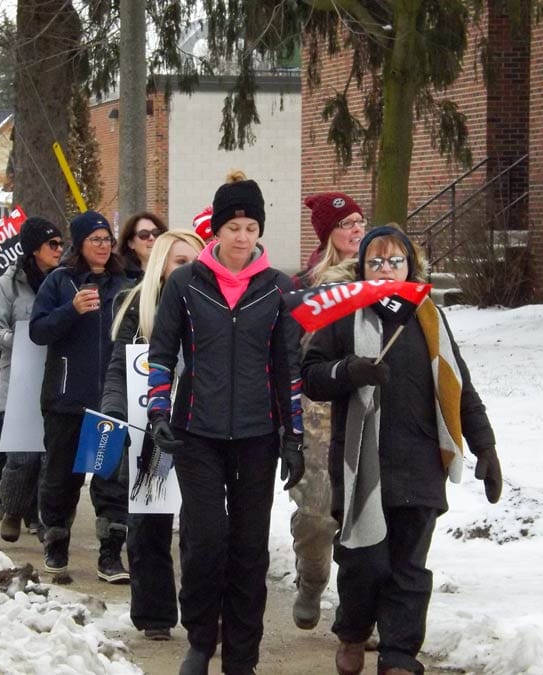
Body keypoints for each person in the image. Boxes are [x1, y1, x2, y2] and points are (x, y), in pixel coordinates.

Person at [301, 224, 503, 675]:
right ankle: (353, 631)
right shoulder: (344, 315)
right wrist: (349, 370)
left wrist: (484, 445)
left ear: (411, 265)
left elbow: (459, 387)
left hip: (421, 460)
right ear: (362, 267)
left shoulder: (428, 315)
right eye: (376, 261)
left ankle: (398, 655)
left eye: (396, 260)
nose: (387, 268)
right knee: (365, 562)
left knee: (409, 566)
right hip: (361, 465)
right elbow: (312, 375)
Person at [146, 171, 305, 675]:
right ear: (217, 228)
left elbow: (288, 366)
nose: (241, 236)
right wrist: (157, 409)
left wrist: (294, 435)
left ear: (260, 231)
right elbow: (162, 352)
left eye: (250, 226)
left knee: (250, 548)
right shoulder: (185, 282)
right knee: (207, 537)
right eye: (233, 225)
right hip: (197, 430)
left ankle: (242, 656)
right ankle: (199, 638)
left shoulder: (279, 288)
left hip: (258, 435)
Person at [101, 229, 206, 641]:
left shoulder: (216, 303)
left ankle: (203, 611)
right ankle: (155, 614)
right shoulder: (138, 307)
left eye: (197, 259)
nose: (191, 268)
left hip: (204, 430)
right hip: (153, 432)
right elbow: (118, 365)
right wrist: (113, 409)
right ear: (162, 266)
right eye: (182, 261)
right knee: (148, 524)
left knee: (202, 529)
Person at [29, 210, 130, 579]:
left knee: (109, 481)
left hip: (109, 403)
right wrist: (70, 311)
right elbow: (38, 331)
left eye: (107, 239)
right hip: (66, 399)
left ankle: (109, 553)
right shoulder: (59, 283)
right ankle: (56, 541)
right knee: (60, 478)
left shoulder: (124, 283)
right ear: (80, 243)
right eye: (95, 240)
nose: (103, 246)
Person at [290, 192, 367, 630]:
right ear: (328, 234)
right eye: (346, 224)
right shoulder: (309, 286)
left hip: (368, 406)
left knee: (365, 511)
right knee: (318, 514)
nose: (356, 229)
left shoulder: (384, 276)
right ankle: (312, 581)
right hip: (319, 409)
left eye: (360, 221)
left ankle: (359, 615)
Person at [0, 217, 63, 542]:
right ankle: (12, 509)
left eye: (61, 244)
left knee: (50, 457)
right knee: (20, 456)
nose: (59, 250)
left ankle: (43, 518)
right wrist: (22, 338)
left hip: (54, 379)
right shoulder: (8, 285)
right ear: (34, 250)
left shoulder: (62, 283)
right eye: (52, 245)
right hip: (17, 382)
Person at [116, 211, 168, 281]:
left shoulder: (171, 271)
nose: (152, 238)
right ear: (131, 243)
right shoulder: (121, 278)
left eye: (156, 233)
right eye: (144, 234)